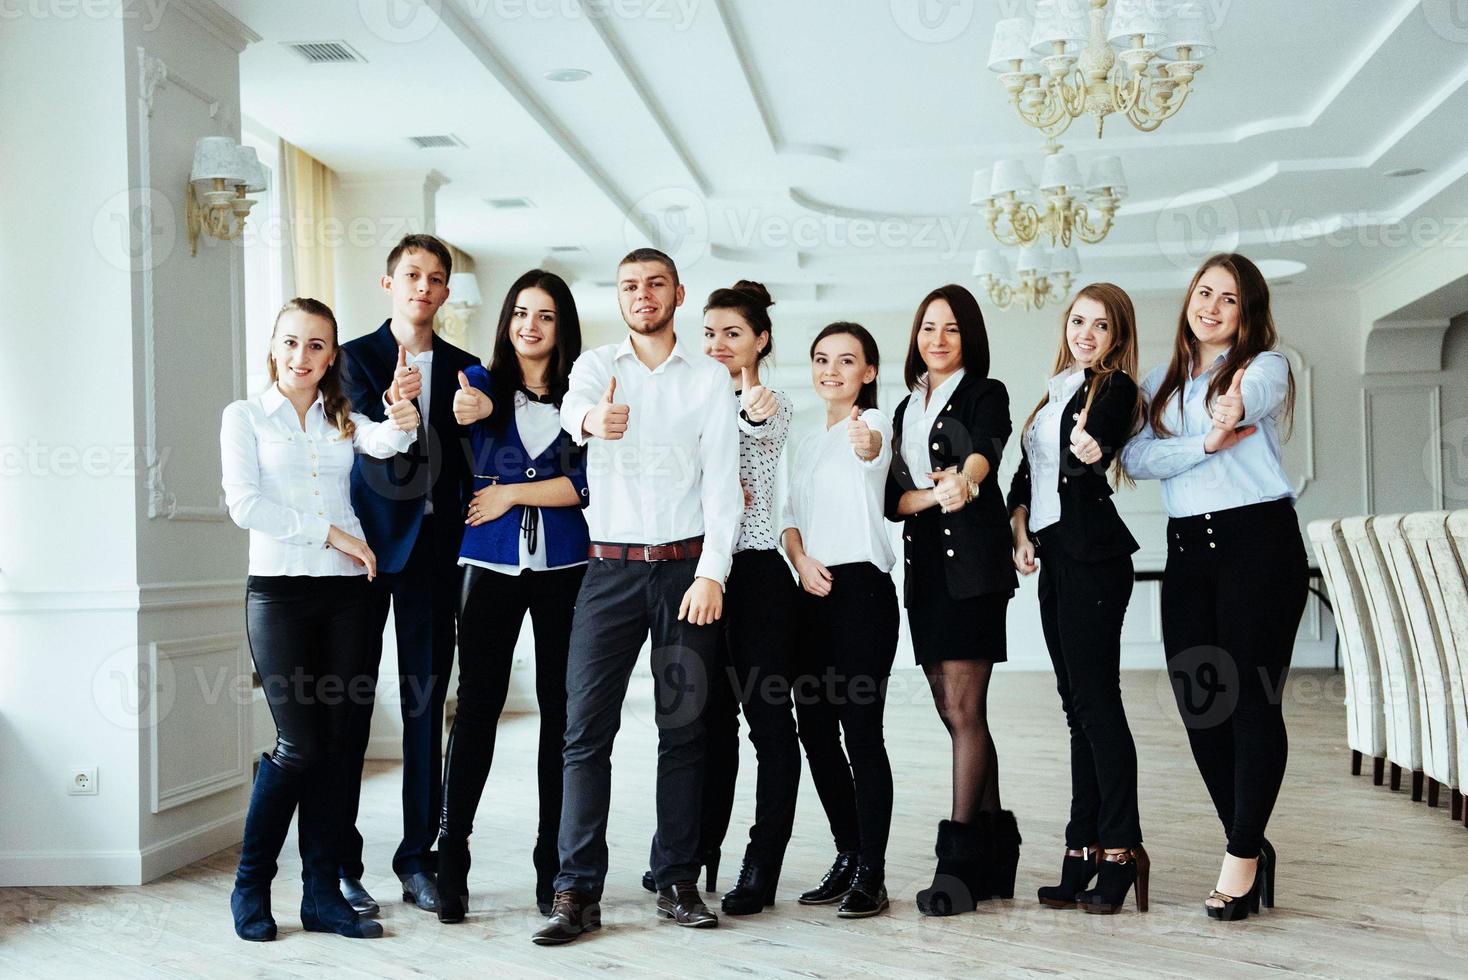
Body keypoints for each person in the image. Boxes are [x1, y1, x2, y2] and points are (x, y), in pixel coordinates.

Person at [531, 248, 741, 946]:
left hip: (685, 573)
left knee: (683, 729)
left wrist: (713, 572)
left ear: (677, 294)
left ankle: (677, 878)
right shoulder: (598, 367)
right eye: (629, 286)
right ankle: (576, 890)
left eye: (654, 284)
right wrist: (593, 423)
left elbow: (721, 482)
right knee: (584, 731)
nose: (642, 295)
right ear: (618, 297)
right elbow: (572, 410)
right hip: (609, 573)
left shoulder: (712, 379)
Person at [221, 297, 420, 941]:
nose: (301, 357)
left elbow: (387, 442)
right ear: (273, 347)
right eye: (291, 343)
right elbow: (245, 504)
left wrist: (402, 414)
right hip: (279, 595)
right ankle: (250, 884)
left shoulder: (342, 418)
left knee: (336, 751)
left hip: (347, 597)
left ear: (332, 356)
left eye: (316, 346)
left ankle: (320, 895)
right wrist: (331, 532)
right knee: (298, 744)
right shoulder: (245, 417)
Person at [1120, 252, 1305, 921]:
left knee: (1252, 703)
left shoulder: (1266, 367)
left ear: (1247, 313)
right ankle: (1250, 840)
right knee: (1203, 705)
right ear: (1190, 300)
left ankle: (1240, 859)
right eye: (1205, 293)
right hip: (1188, 552)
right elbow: (1136, 459)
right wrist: (1203, 446)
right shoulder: (1158, 381)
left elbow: (1248, 400)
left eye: (1230, 299)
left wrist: (1231, 408)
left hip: (1260, 544)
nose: (1213, 307)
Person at [434, 270, 589, 923]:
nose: (531, 325)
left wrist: (508, 493)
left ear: (562, 327)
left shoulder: (587, 395)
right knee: (477, 707)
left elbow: (583, 487)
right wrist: (468, 407)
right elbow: (459, 412)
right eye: (521, 313)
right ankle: (453, 854)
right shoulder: (478, 384)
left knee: (560, 712)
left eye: (546, 315)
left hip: (566, 566)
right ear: (506, 322)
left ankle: (550, 860)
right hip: (489, 564)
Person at [336, 234, 484, 916]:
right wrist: (395, 412)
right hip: (363, 553)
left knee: (426, 709)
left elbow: (479, 455)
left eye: (435, 279)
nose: (423, 286)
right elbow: (351, 446)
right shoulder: (352, 358)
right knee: (350, 709)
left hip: (435, 554)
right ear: (389, 283)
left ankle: (417, 859)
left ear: (446, 293)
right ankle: (341, 860)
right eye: (411, 275)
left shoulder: (467, 367)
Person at [645, 279, 800, 916]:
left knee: (768, 725)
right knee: (703, 723)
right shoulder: (685, 399)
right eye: (708, 333)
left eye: (732, 333)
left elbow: (755, 427)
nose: (717, 344)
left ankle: (761, 862)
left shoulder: (770, 400)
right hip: (694, 571)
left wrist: (745, 406)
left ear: (761, 340)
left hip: (757, 575)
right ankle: (690, 853)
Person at [1008, 283, 1148, 915]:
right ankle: (1081, 848)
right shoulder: (1052, 392)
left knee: (1097, 704)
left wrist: (1098, 446)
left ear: (1117, 338)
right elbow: (1025, 476)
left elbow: (1108, 432)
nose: (1086, 334)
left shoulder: (1113, 387)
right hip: (1056, 556)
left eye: (1101, 326)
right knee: (1076, 708)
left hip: (1095, 558)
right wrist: (1018, 529)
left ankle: (1121, 849)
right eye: (1078, 321)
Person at [884, 285, 1019, 916]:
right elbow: (895, 499)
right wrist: (931, 497)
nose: (937, 339)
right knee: (951, 712)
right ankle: (998, 850)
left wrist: (963, 481)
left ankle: (960, 866)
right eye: (928, 327)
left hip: (972, 574)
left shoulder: (985, 392)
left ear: (969, 339)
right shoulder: (905, 406)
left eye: (952, 330)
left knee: (966, 712)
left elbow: (985, 449)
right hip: (925, 577)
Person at [783, 322, 900, 919]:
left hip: (860, 594)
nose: (832, 370)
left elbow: (873, 453)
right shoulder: (804, 442)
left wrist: (867, 443)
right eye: (822, 358)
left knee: (861, 732)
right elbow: (788, 518)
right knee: (815, 733)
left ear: (868, 373)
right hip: (809, 591)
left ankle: (873, 874)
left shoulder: (873, 423)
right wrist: (800, 558)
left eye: (846, 361)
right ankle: (849, 853)